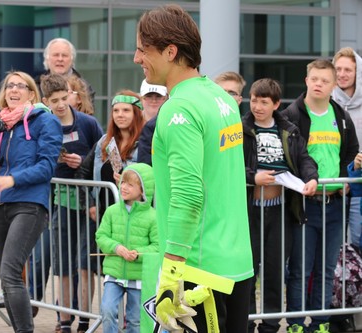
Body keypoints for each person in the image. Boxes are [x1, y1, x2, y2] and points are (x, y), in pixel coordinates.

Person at [134, 4, 254, 331]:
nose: (136, 58)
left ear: (170, 52)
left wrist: (170, 273)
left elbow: (188, 195)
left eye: (143, 50)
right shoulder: (222, 98)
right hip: (236, 266)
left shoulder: (180, 110)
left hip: (197, 271)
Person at [0, 70, 62, 333]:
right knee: (6, 278)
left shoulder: (45, 121)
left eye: (20, 86)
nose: (13, 90)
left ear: (31, 94)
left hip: (29, 204)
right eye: (9, 86)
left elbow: (46, 167)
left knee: (11, 272)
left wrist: (13, 179)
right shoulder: (0, 125)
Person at [281, 59, 359, 333]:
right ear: (306, 80)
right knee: (300, 269)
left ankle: (320, 323)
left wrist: (346, 177)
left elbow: (350, 151)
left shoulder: (341, 116)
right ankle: (294, 324)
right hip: (304, 204)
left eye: (325, 81)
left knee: (326, 269)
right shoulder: (291, 115)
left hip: (335, 204)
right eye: (314, 79)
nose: (318, 84)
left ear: (333, 85)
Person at [242, 78, 318, 333]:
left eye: (264, 102)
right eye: (253, 100)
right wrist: (253, 178)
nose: (257, 106)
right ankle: (247, 321)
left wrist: (312, 178)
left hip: (281, 209)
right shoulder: (240, 129)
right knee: (247, 271)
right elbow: (231, 166)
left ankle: (271, 324)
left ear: (276, 104)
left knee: (275, 271)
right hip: (249, 210)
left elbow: (304, 158)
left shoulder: (289, 129)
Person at [40, 73, 103, 333]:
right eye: (54, 100)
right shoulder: (44, 124)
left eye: (64, 98)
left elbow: (102, 155)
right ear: (46, 101)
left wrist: (83, 161)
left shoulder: (88, 123)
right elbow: (38, 160)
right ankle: (64, 321)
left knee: (86, 264)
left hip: (88, 202)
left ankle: (85, 319)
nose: (61, 104)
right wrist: (57, 162)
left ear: (71, 94)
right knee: (63, 266)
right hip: (60, 201)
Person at [95, 163, 158, 333]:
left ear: (143, 190)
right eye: (123, 182)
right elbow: (101, 236)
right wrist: (116, 248)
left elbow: (157, 247)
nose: (123, 187)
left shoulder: (153, 217)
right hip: (114, 273)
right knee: (107, 311)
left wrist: (139, 254)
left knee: (135, 321)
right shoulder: (111, 211)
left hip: (139, 277)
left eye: (130, 184)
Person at [76, 89, 145, 223]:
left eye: (126, 110)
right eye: (116, 110)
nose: (120, 115)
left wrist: (129, 183)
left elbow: (152, 181)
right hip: (105, 216)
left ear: (136, 113)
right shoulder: (103, 142)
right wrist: (90, 204)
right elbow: (82, 173)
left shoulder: (145, 144)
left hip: (134, 217)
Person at [332, 47, 362, 248]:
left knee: (358, 238)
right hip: (334, 183)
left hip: (359, 183)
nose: (342, 74)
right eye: (338, 69)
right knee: (334, 243)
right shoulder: (326, 101)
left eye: (348, 70)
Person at [36, 38, 95, 102]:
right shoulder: (36, 85)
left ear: (72, 60)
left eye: (64, 55)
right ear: (47, 59)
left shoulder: (84, 87)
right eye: (56, 55)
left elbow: (88, 110)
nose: (60, 59)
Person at [136, 79, 168, 166]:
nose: (153, 100)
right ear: (142, 98)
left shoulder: (171, 123)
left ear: (166, 98)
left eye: (158, 96)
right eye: (149, 96)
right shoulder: (130, 125)